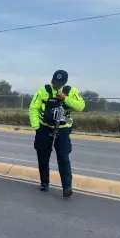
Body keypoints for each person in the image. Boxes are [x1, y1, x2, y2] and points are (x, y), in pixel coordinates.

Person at [29, 69, 85, 198]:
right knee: (43, 155)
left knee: (63, 156)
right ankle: (44, 183)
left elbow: (81, 106)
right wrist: (36, 126)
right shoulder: (43, 90)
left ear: (65, 82)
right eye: (55, 82)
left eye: (59, 83)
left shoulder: (71, 91)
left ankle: (67, 187)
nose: (56, 85)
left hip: (63, 128)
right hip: (45, 127)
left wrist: (65, 99)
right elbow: (33, 108)